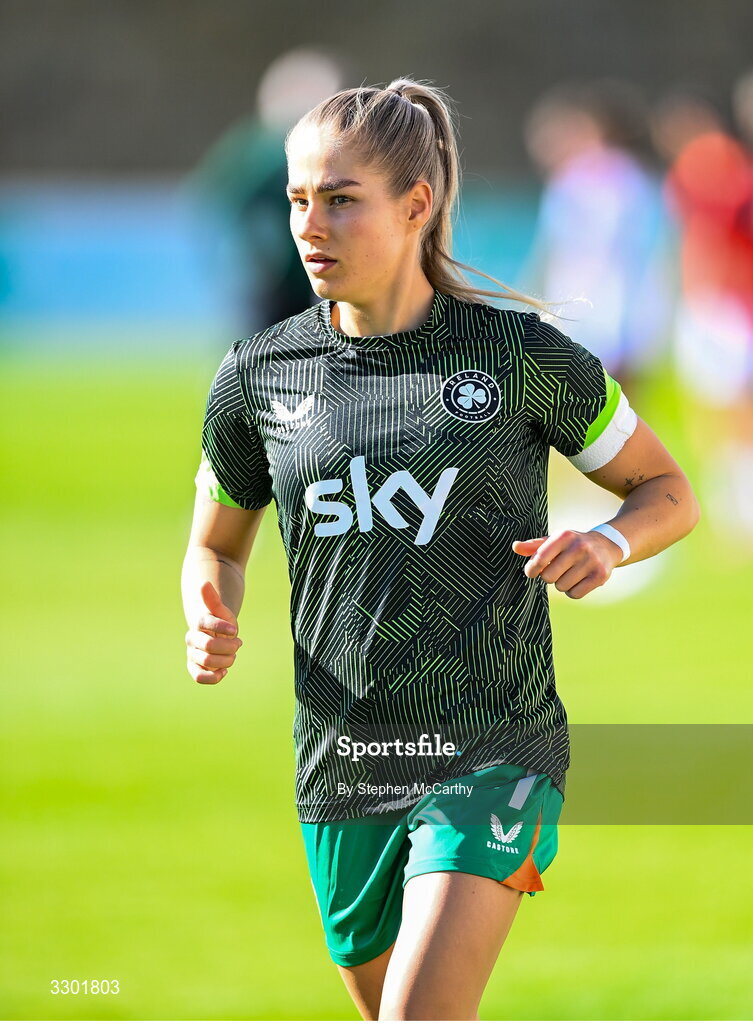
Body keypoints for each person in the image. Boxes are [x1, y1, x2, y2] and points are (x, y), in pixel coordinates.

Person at [182, 77, 700, 1021]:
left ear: (415, 205)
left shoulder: (517, 357)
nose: (311, 225)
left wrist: (611, 543)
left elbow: (667, 491)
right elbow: (215, 544)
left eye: (341, 200)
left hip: (492, 746)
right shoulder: (256, 376)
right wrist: (206, 608)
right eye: (299, 200)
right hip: (342, 760)